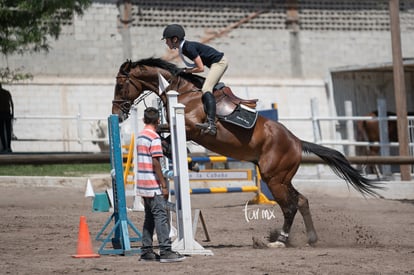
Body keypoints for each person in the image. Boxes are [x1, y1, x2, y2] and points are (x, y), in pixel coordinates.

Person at [136, 107, 185, 263]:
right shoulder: (154, 138)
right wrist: (163, 184)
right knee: (161, 216)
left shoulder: (140, 136)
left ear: (144, 120)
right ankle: (165, 250)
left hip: (142, 184)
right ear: (158, 121)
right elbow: (156, 162)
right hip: (152, 183)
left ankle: (146, 251)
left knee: (149, 217)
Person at [162, 24, 228, 136]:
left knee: (206, 88)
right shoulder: (185, 48)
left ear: (174, 39)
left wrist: (184, 71)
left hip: (219, 63)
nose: (166, 42)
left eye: (167, 40)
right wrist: (185, 70)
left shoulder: (188, 48)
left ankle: (211, 124)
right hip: (215, 64)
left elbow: (200, 68)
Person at [0, 83, 14, 153]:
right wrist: (13, 113)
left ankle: (5, 147)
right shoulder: (7, 92)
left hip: (1, 113)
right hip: (7, 113)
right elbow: (11, 103)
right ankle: (8, 147)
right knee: (8, 131)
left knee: (1, 131)